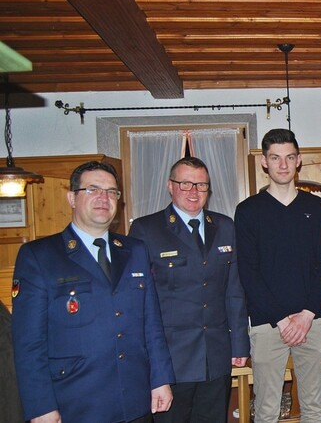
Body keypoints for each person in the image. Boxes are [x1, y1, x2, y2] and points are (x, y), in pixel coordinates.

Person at [11, 161, 174, 423]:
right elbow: (29, 343)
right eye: (93, 189)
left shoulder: (135, 250)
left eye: (112, 192)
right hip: (76, 403)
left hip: (134, 398)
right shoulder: (40, 256)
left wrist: (160, 379)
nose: (104, 198)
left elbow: (151, 325)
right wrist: (40, 406)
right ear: (71, 198)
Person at [129, 156, 249, 422]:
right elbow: (137, 300)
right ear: (170, 186)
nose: (194, 192)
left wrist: (240, 344)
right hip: (171, 358)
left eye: (201, 185)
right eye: (185, 184)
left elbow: (234, 290)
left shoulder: (225, 226)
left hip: (216, 355)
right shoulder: (146, 229)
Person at [234, 128, 321, 422]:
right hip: (267, 325)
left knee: (314, 408)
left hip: (311, 321)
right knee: (266, 410)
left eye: (289, 157)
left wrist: (305, 315)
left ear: (298, 160)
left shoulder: (317, 209)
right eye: (275, 158)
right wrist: (281, 319)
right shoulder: (248, 210)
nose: (282, 165)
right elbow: (248, 272)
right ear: (264, 162)